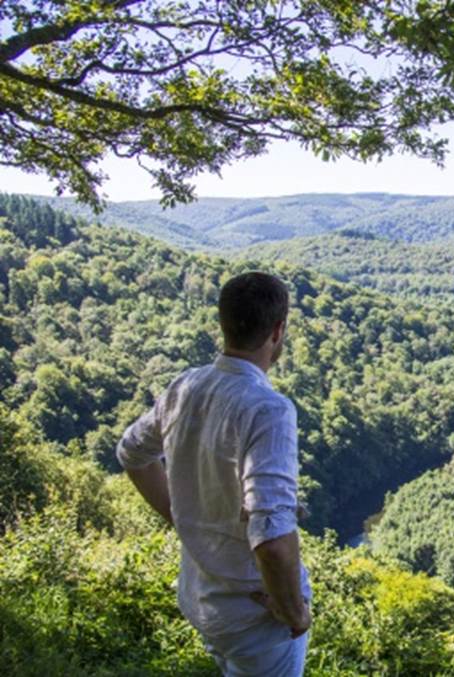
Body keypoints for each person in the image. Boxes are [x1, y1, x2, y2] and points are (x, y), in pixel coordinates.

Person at [117, 271, 312, 676]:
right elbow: (272, 539)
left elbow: (132, 453)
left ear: (223, 324)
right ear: (278, 332)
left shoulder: (185, 387)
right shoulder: (269, 409)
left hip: (202, 597)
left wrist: (186, 517)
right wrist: (295, 613)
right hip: (255, 616)